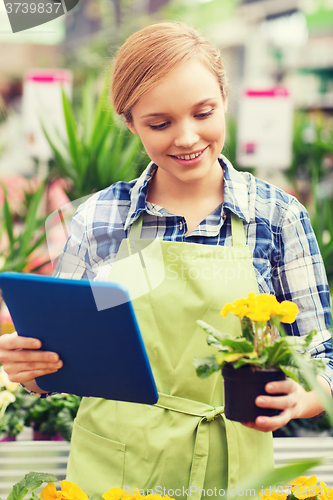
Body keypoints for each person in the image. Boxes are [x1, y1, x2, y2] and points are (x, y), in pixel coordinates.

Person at [0, 21, 332, 500]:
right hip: (112, 472)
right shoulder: (98, 219)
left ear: (224, 98)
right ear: (130, 122)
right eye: (160, 123)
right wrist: (30, 368)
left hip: (232, 470)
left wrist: (303, 397)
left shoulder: (277, 217)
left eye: (203, 112)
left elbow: (324, 356)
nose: (187, 137)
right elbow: (61, 363)